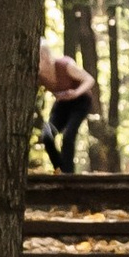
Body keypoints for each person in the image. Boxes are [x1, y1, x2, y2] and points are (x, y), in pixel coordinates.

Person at [38, 38, 97, 175]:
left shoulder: (65, 66)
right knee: (47, 135)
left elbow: (89, 80)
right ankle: (59, 170)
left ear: (45, 56)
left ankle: (68, 174)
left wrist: (76, 93)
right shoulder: (38, 76)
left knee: (68, 135)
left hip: (80, 101)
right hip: (62, 104)